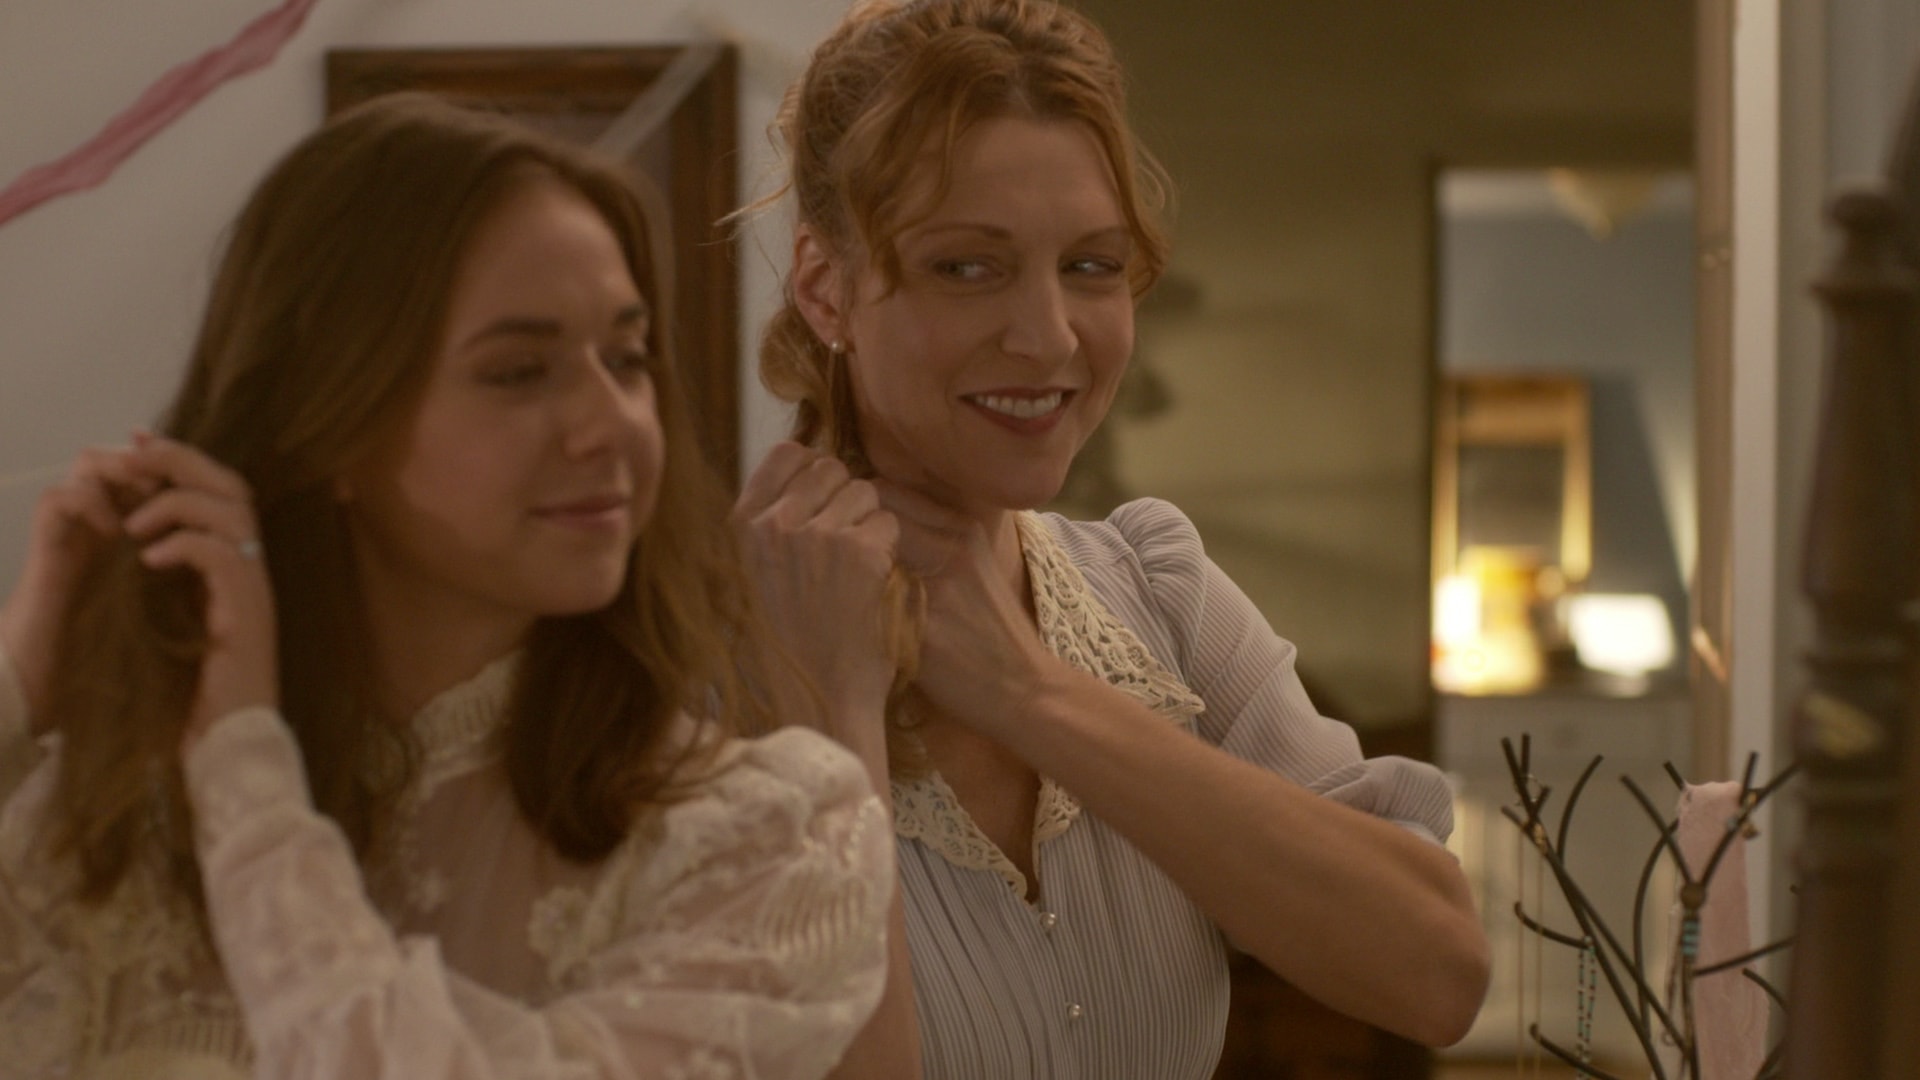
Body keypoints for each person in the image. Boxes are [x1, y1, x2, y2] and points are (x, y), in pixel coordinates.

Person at [0, 92, 900, 1080]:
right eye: (519, 371)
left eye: (627, 357)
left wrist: (247, 778)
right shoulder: (105, 817)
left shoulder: (765, 838)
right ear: (327, 420)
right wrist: (23, 689)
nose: (609, 423)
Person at [742, 0, 1493, 1075]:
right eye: (968, 267)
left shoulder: (1157, 593)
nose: (1049, 337)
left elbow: (1438, 974)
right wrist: (835, 715)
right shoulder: (687, 660)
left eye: (1092, 266)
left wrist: (1030, 692)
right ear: (826, 288)